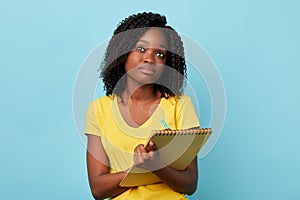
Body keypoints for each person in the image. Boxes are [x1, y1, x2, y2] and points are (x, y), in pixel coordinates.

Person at [85, 12, 201, 200]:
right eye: (141, 49)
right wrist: (140, 170)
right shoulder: (99, 110)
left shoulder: (180, 105)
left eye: (160, 53)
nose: (150, 58)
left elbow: (190, 183)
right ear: (123, 52)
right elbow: (98, 189)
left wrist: (158, 166)